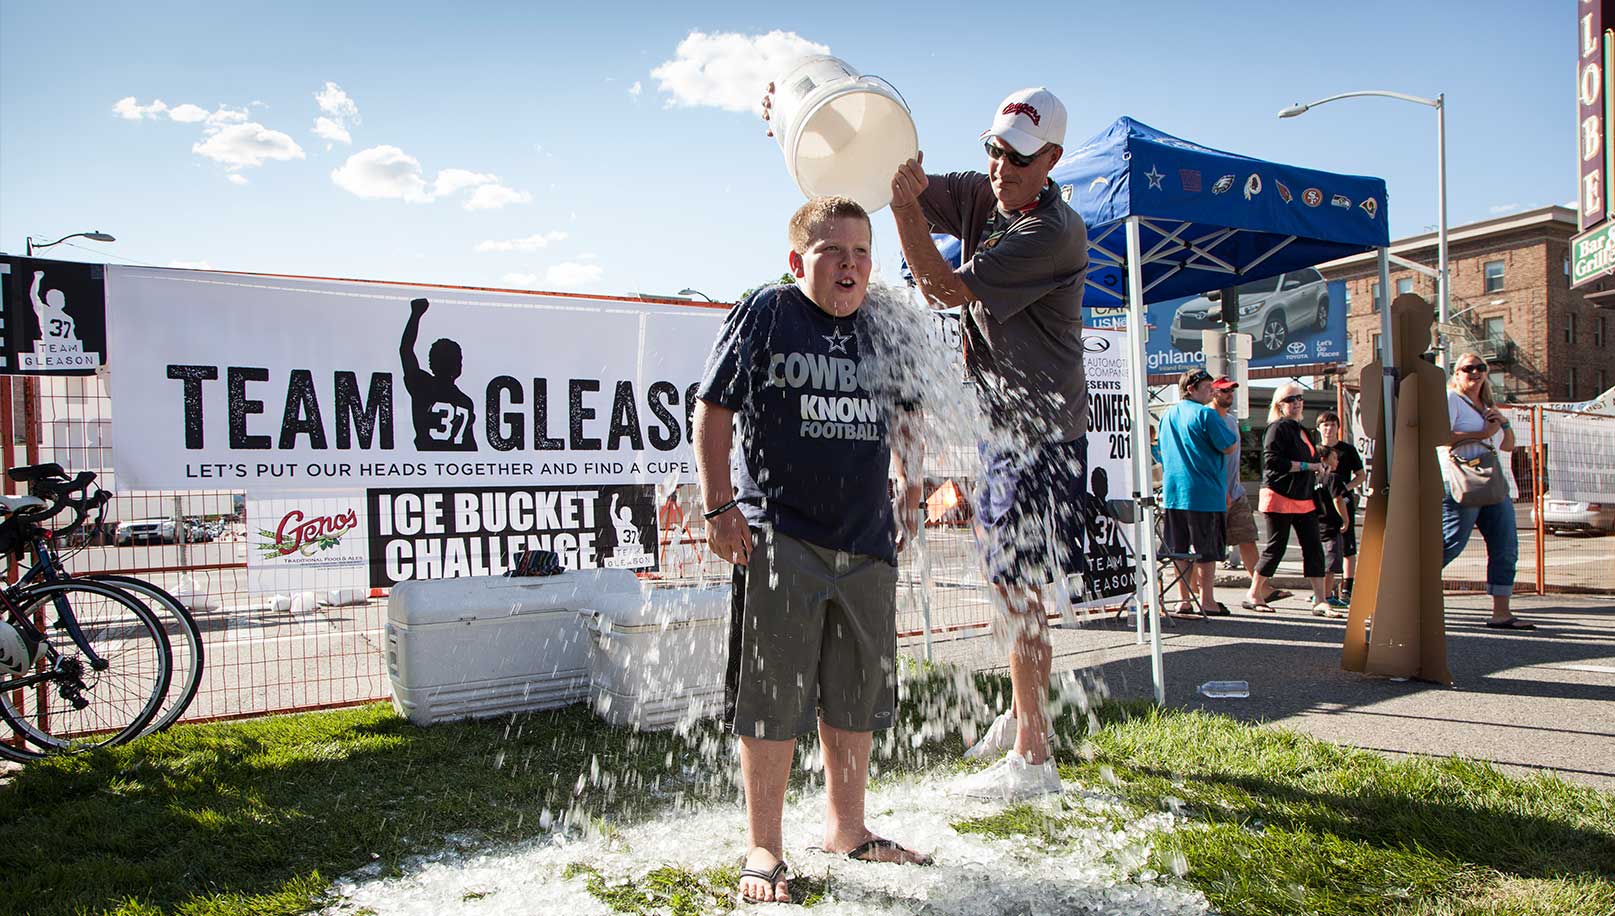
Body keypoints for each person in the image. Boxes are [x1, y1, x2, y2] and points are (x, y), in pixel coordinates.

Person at [693, 196, 931, 904]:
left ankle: (847, 828)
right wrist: (716, 507)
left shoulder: (884, 324)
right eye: (834, 251)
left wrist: (912, 492)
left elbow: (909, 414)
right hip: (779, 535)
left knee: (855, 693)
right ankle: (764, 846)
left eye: (861, 252)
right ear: (798, 261)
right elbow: (712, 409)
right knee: (770, 698)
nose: (851, 265)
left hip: (865, 541)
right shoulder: (766, 311)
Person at [889, 87, 1088, 800]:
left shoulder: (1053, 233)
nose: (1000, 167)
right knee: (1011, 579)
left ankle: (1033, 757)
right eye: (993, 149)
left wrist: (904, 208)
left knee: (1014, 584)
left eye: (1017, 158)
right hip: (1008, 429)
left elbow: (941, 287)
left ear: (1052, 161)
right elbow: (898, 169)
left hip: (1041, 433)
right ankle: (1020, 714)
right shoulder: (982, 195)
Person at [1441, 352, 1530, 629]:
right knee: (1450, 543)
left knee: (1506, 545)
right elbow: (1441, 437)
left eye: (1481, 367)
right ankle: (1403, 594)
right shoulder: (1451, 399)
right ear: (1457, 374)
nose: (1475, 372)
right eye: (1469, 368)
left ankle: (1501, 612)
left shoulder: (1486, 404)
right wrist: (1482, 434)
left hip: (1491, 480)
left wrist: (1502, 423)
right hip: (1463, 481)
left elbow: (1507, 445)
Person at [1245, 383, 1333, 616]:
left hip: (1304, 496)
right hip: (1279, 495)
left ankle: (1320, 599)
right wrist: (1309, 465)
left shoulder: (1301, 429)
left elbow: (1309, 461)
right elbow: (1274, 463)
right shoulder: (1277, 428)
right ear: (1279, 405)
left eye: (1299, 398)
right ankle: (1254, 593)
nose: (1296, 403)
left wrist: (1318, 469)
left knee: (1314, 546)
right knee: (1276, 547)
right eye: (1290, 399)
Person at [1157, 368, 1239, 616]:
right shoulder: (1206, 414)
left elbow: (1160, 448)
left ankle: (1183, 599)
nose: (1211, 391)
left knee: (1179, 548)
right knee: (1206, 550)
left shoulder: (1167, 415)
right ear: (1191, 389)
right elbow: (1229, 446)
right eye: (1206, 387)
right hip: (1204, 492)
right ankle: (1208, 601)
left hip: (1174, 492)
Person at [400, 298, 477, 451]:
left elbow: (406, 349)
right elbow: (470, 446)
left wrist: (415, 315)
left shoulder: (422, 385)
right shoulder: (463, 400)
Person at [1210, 377, 1264, 586]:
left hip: (1236, 492)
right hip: (1215, 494)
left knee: (1248, 538)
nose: (1229, 395)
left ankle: (1259, 589)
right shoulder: (1207, 418)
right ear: (1213, 393)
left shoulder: (1232, 421)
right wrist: (1221, 490)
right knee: (1209, 547)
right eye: (1224, 391)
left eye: (1231, 390)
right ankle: (1198, 592)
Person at [1315, 410, 1365, 604]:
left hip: (1341, 503)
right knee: (1324, 549)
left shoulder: (1347, 450)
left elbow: (1360, 475)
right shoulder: (1313, 449)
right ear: (1319, 428)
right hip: (1320, 505)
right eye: (1325, 425)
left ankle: (1347, 588)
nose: (1329, 428)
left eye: (1333, 424)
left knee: (1347, 547)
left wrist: (1345, 488)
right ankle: (1322, 592)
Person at [1313, 444, 1352, 604]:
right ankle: (1327, 595)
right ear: (1324, 459)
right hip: (1331, 524)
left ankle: (1319, 593)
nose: (1337, 461)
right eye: (1334, 458)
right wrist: (1345, 519)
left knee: (1321, 560)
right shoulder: (1333, 478)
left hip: (1317, 524)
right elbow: (1338, 499)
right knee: (1331, 562)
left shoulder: (1315, 479)